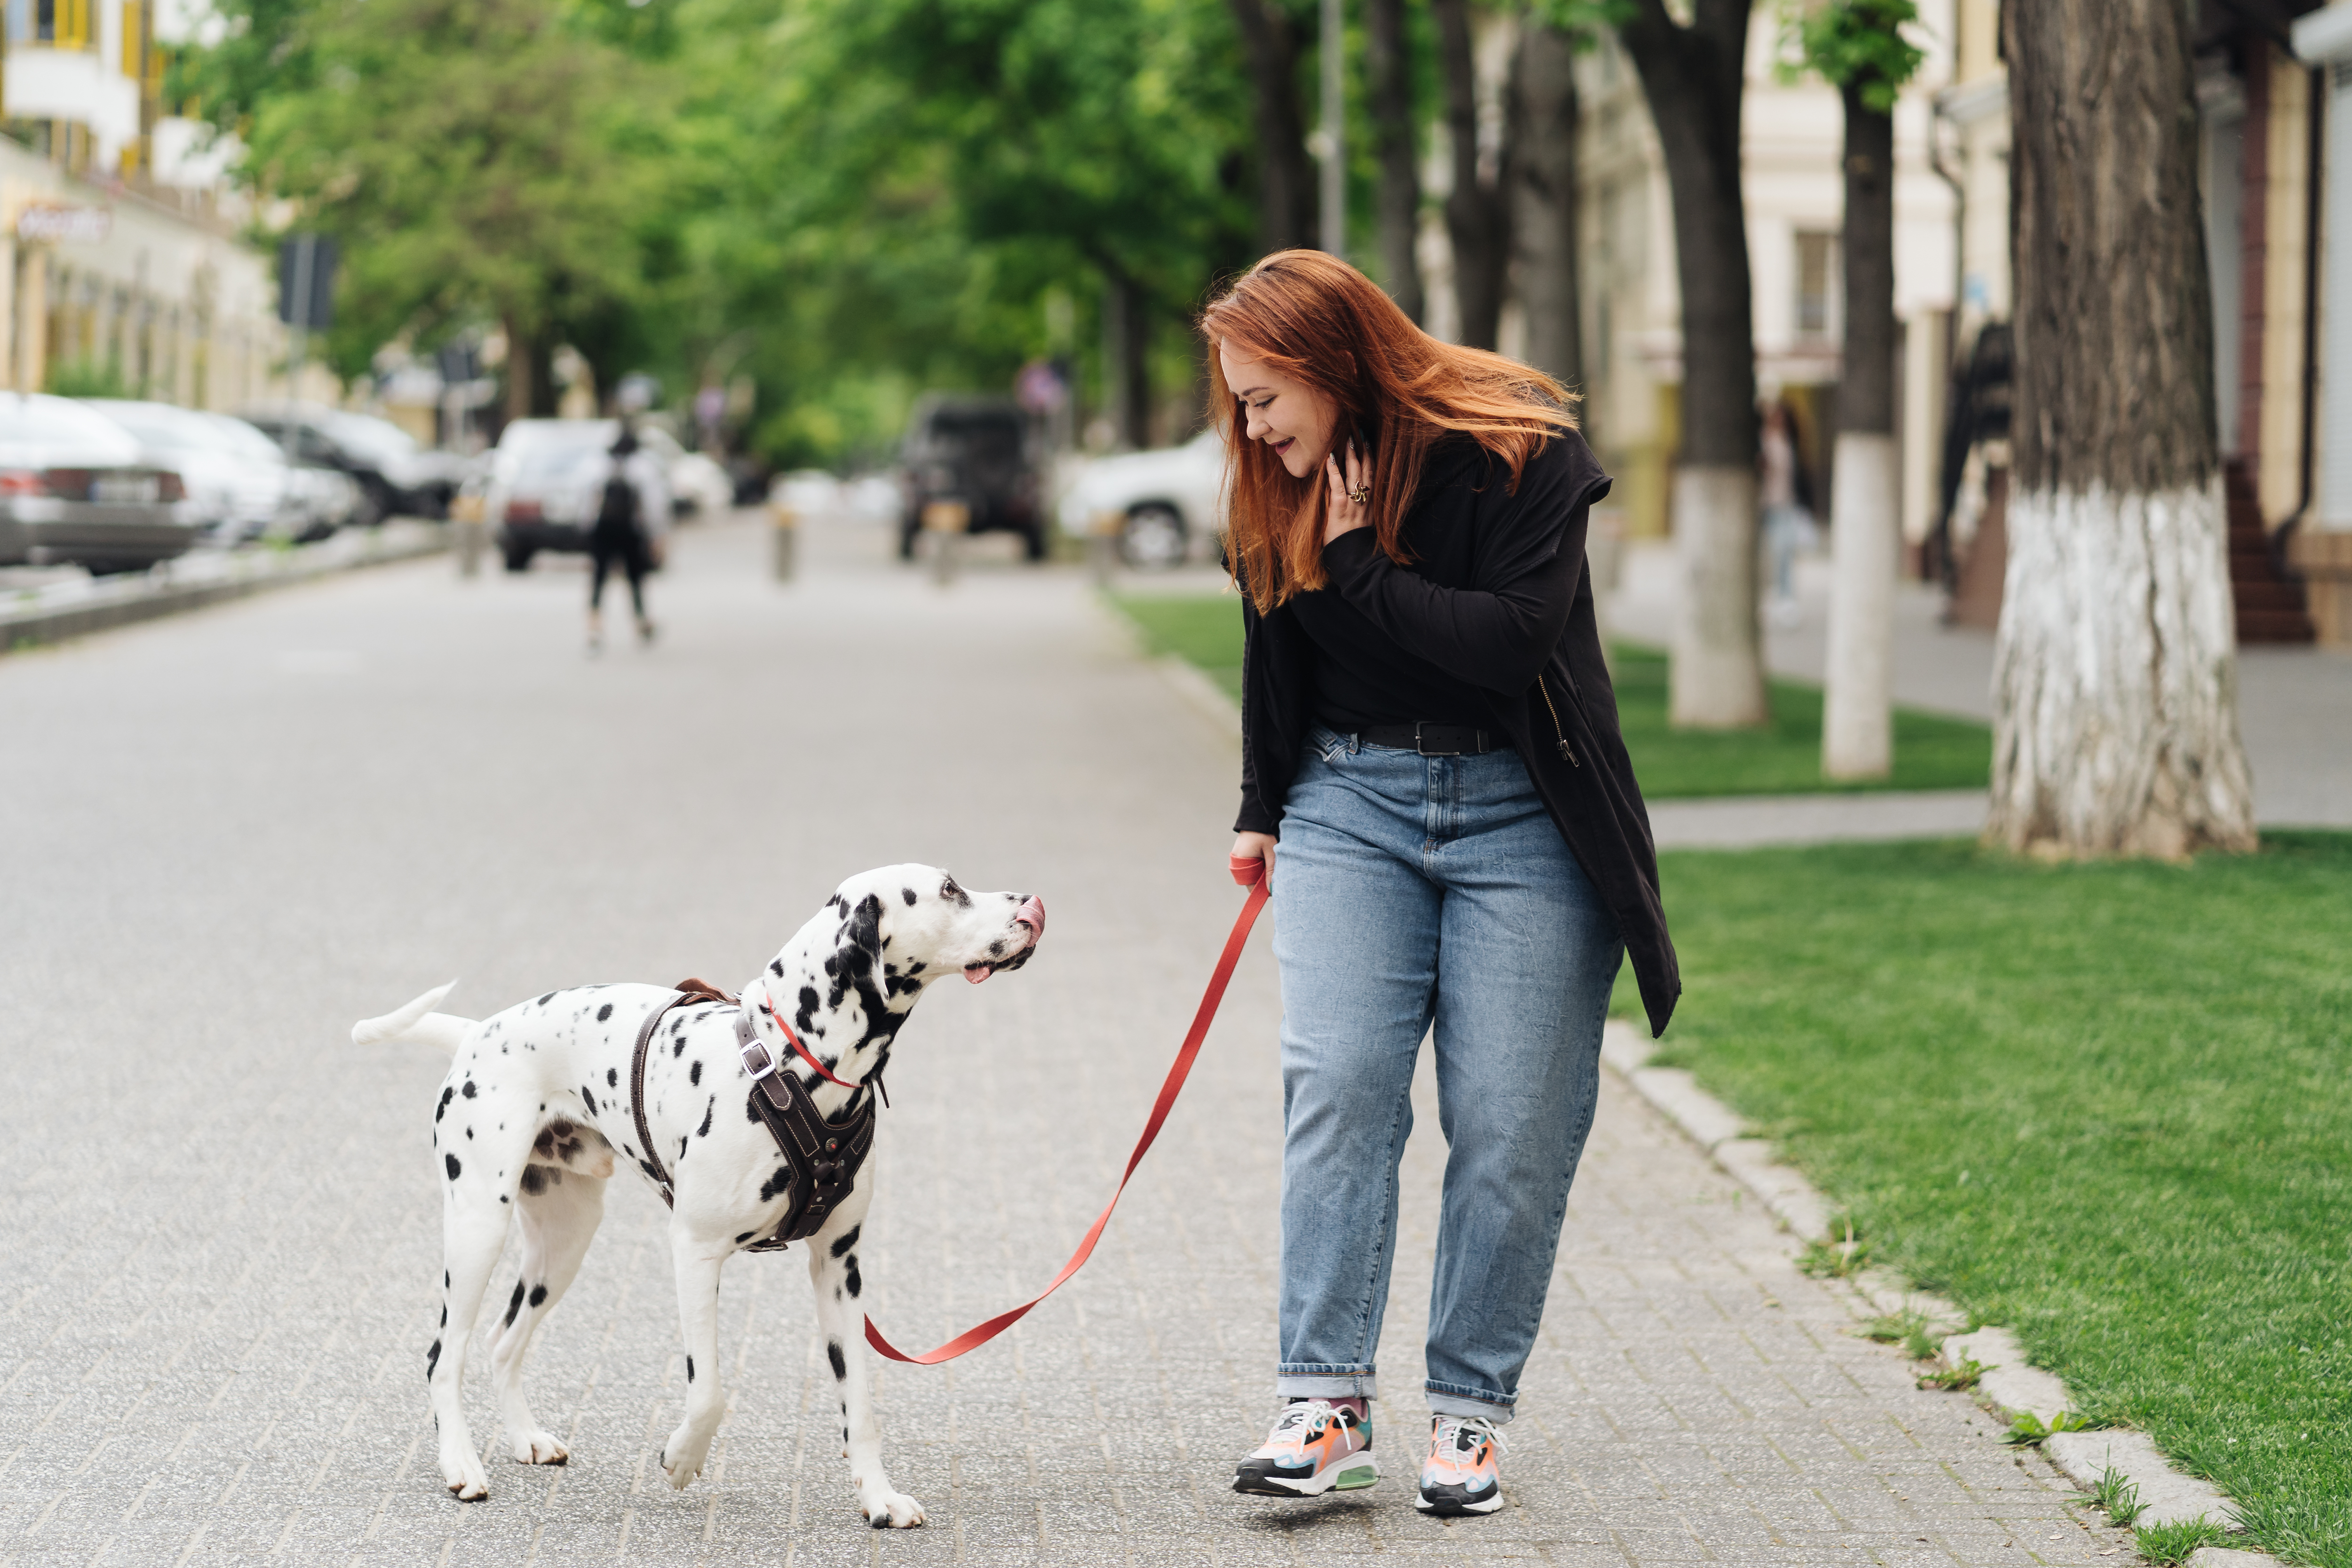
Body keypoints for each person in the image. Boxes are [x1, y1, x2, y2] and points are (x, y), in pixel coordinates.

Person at [1202, 252, 1678, 1518]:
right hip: (1351, 803)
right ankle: (1326, 1403)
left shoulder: (1518, 451)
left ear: (1331, 361)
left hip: (1526, 812)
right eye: (1240, 403)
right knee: (1343, 1083)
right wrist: (1262, 806)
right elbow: (1272, 651)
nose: (1250, 426)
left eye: (1263, 397)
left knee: (1514, 1124)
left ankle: (1470, 1409)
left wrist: (1364, 566)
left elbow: (1508, 644)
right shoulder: (1275, 483)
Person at [587, 426, 669, 651]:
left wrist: (588, 528)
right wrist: (657, 536)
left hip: (603, 529)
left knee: (599, 577)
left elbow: (586, 499)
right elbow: (655, 506)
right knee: (635, 577)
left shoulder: (599, 466)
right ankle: (641, 621)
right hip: (630, 529)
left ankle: (594, 625)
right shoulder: (642, 467)